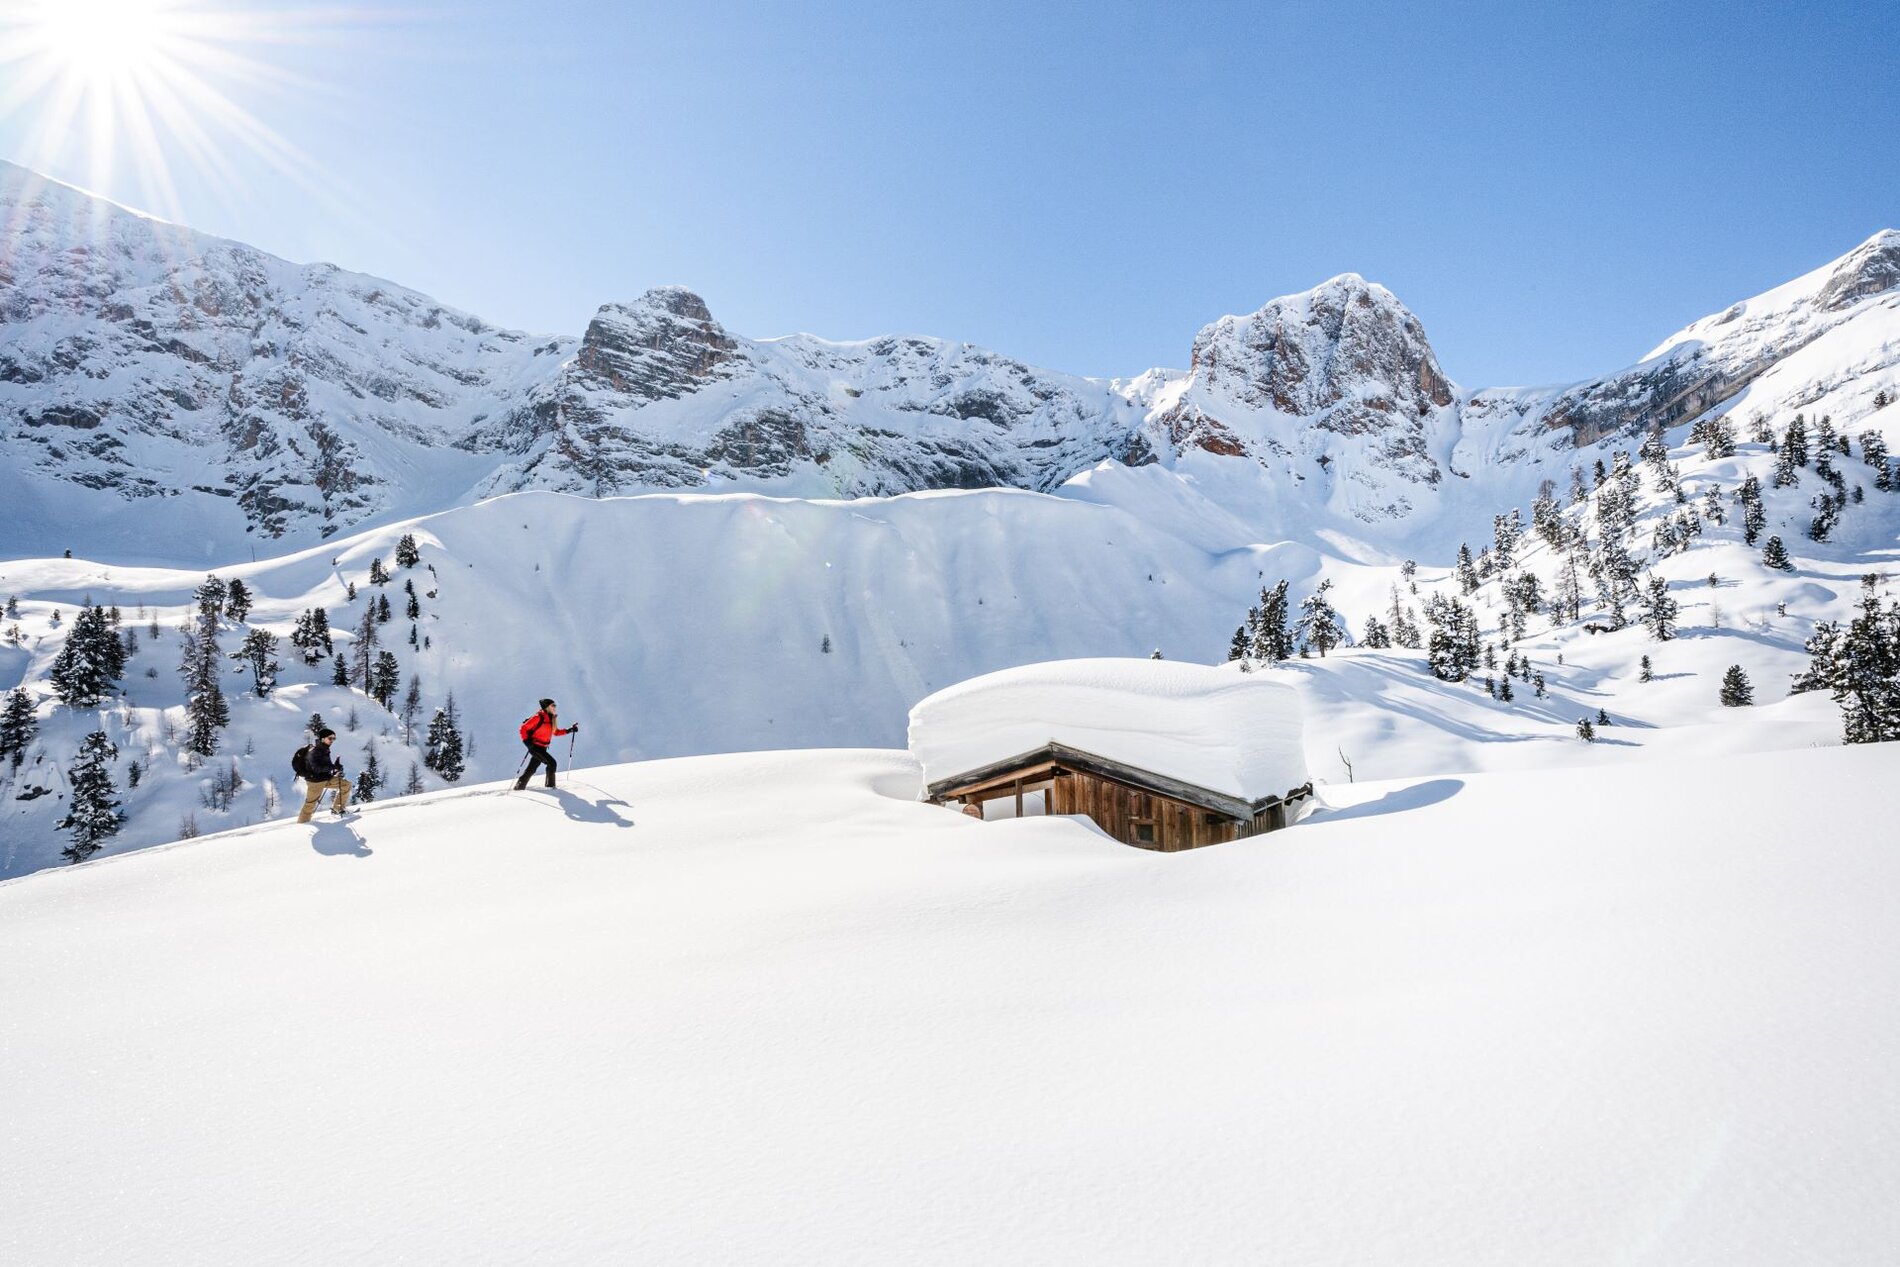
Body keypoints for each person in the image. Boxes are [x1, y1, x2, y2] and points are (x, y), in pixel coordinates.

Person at [516, 698, 578, 790]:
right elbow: (523, 728)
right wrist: (527, 742)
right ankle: (550, 788)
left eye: (555, 706)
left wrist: (569, 730)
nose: (555, 707)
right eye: (553, 705)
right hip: (535, 746)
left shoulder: (551, 719)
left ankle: (519, 787)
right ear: (547, 707)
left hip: (543, 747)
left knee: (532, 768)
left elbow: (556, 732)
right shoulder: (538, 717)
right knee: (552, 763)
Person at [298, 728, 353, 823]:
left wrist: (335, 768)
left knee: (346, 785)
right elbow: (317, 769)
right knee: (310, 804)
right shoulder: (314, 751)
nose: (332, 740)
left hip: (326, 778)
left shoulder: (325, 749)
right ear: (323, 738)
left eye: (334, 738)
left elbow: (326, 767)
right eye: (330, 738)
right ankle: (302, 825)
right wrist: (332, 767)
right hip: (315, 782)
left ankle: (337, 809)